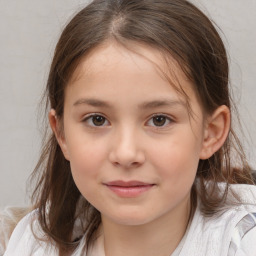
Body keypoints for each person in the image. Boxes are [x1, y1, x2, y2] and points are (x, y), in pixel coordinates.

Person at [2, 0, 256, 255]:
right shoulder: (27, 245)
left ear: (210, 132)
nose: (125, 154)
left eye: (159, 120)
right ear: (62, 134)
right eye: (97, 119)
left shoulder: (243, 243)